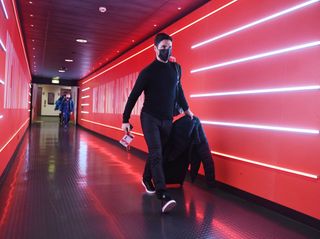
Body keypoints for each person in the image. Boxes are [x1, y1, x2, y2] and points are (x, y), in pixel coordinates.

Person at [122, 32, 193, 213]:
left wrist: (187, 110)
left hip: (167, 119)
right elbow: (133, 96)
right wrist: (125, 119)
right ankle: (163, 194)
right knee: (156, 153)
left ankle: (146, 178)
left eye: (169, 47)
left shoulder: (176, 69)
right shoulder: (147, 72)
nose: (166, 51)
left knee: (158, 152)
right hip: (149, 118)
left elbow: (179, 92)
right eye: (163, 48)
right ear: (155, 49)